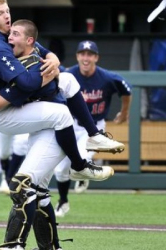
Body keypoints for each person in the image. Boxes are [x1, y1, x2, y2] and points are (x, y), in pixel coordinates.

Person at [0, 3, 115, 247]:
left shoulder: (18, 41)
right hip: (12, 114)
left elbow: (43, 51)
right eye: (0, 13)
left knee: (38, 191)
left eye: (7, 10)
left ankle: (50, 246)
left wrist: (53, 59)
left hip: (34, 117)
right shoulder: (0, 45)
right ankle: (80, 165)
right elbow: (28, 84)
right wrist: (51, 72)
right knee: (26, 182)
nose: (7, 16)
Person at [53, 40, 132, 217]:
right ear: (77, 56)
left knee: (78, 160)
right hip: (70, 125)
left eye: (90, 54)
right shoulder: (68, 74)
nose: (86, 58)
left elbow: (126, 90)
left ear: (96, 57)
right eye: (82, 53)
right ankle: (63, 201)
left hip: (94, 128)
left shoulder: (107, 77)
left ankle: (84, 172)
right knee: (59, 170)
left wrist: (125, 112)